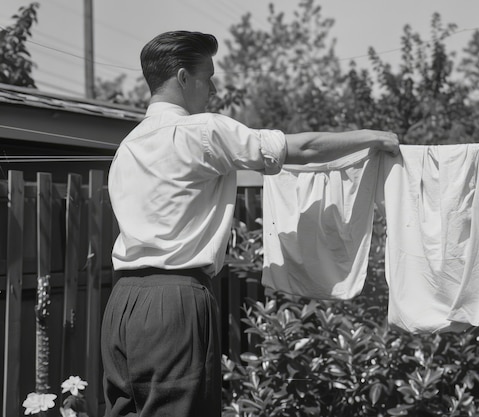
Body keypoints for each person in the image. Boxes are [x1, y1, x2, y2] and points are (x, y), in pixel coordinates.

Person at [101, 30, 399, 417]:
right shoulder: (201, 130)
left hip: (122, 304)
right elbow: (301, 149)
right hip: (174, 301)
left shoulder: (127, 147)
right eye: (208, 75)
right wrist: (371, 137)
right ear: (182, 77)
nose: (212, 86)